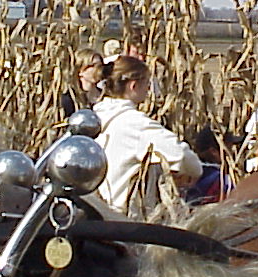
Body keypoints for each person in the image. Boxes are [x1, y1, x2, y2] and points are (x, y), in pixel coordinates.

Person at [92, 55, 202, 212]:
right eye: (146, 83)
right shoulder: (135, 124)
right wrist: (191, 173)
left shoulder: (93, 117)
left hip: (94, 213)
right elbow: (182, 156)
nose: (148, 89)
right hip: (122, 219)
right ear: (133, 85)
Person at [60, 47, 104, 117]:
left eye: (100, 65)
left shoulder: (106, 95)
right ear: (80, 71)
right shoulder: (70, 98)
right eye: (93, 65)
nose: (98, 69)